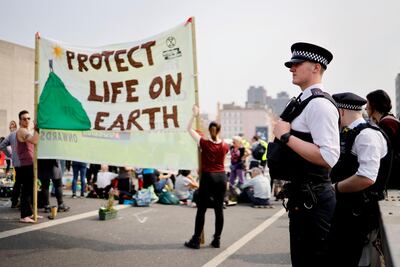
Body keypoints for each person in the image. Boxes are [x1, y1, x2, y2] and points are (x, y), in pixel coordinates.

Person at [269, 42, 340, 266]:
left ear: (316, 68)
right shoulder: (304, 102)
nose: (292, 68)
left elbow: (329, 156)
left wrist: (286, 137)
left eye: (298, 64)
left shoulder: (319, 105)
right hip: (304, 198)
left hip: (314, 200)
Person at [328, 92, 391, 267]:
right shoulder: (350, 134)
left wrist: (334, 188)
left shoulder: (367, 136)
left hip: (359, 213)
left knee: (352, 260)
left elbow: (366, 178)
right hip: (349, 211)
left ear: (340, 111)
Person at [184, 105, 229, 249]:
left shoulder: (204, 142)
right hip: (221, 177)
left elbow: (188, 129)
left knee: (201, 209)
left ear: (209, 131)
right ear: (219, 131)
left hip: (208, 177)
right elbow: (222, 149)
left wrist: (194, 115)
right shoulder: (225, 145)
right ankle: (217, 240)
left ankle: (196, 239)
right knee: (219, 209)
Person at [366, 89, 400, 189]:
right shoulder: (389, 120)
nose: (366, 107)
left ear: (373, 105)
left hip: (394, 177)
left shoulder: (387, 123)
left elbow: (387, 154)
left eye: (368, 103)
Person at [16, 110, 39, 223]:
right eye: (24, 119)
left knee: (30, 190)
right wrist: (38, 129)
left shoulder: (26, 131)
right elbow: (35, 140)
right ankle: (24, 215)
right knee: (26, 190)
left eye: (28, 118)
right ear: (20, 120)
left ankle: (29, 213)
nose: (27, 120)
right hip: (26, 165)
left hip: (29, 164)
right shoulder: (22, 131)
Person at [0, 120, 21, 208]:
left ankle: (15, 200)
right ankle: (15, 200)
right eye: (11, 126)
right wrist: (10, 155)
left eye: (13, 125)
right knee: (19, 181)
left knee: (19, 181)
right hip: (17, 160)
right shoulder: (12, 135)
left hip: (18, 160)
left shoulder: (17, 133)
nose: (12, 127)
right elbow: (2, 146)